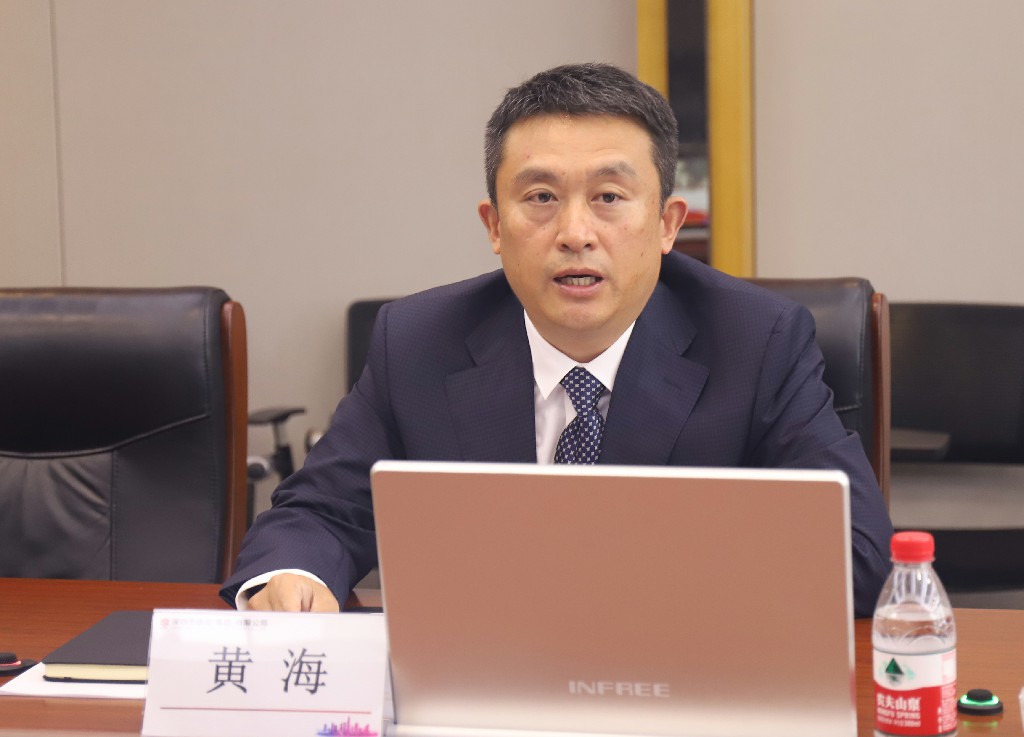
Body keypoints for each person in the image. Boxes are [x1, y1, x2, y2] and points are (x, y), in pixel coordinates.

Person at [221, 63, 893, 617]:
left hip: (683, 683)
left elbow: (858, 556)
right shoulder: (419, 342)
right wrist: (293, 576)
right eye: (541, 197)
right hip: (485, 687)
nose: (575, 233)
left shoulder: (756, 342)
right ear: (494, 225)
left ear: (667, 223)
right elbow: (317, 512)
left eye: (609, 197)